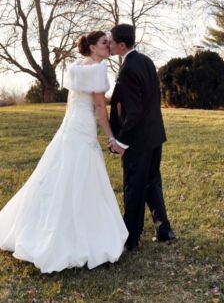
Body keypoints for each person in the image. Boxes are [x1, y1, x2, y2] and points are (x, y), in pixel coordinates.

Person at [0, 31, 128, 274]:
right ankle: (77, 237)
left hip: (70, 126)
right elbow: (100, 106)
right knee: (80, 176)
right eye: (104, 43)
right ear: (92, 47)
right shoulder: (96, 70)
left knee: (57, 175)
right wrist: (112, 137)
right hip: (83, 127)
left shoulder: (77, 67)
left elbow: (73, 103)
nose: (108, 46)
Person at [108, 24, 175, 251]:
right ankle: (164, 230)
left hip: (137, 140)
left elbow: (133, 112)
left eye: (112, 40)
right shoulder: (146, 61)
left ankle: (131, 239)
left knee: (133, 187)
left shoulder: (128, 68)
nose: (109, 43)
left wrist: (121, 141)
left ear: (122, 45)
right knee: (152, 183)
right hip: (155, 135)